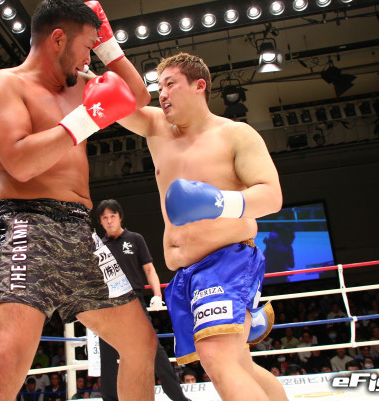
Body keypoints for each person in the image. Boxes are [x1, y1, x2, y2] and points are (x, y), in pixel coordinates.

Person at [0, 1, 157, 400]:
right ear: (58, 39)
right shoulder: (2, 86)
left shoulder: (80, 85)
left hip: (81, 232)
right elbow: (20, 163)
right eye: (88, 46)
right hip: (28, 224)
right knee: (6, 361)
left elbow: (137, 97)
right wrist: (88, 117)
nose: (90, 58)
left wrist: (108, 46)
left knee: (141, 344)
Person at [117, 52, 287, 401]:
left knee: (216, 356)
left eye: (170, 84)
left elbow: (272, 196)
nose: (162, 93)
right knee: (238, 362)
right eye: (159, 87)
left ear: (199, 86)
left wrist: (220, 202)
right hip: (185, 273)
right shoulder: (155, 128)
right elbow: (111, 101)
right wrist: (103, 49)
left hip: (227, 260)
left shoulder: (235, 134)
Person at [95, 199, 191, 401]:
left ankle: (178, 398)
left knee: (153, 349)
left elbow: (149, 269)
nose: (109, 221)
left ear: (120, 217)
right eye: (105, 218)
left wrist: (157, 295)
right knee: (108, 355)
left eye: (112, 216)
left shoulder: (135, 239)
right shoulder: (99, 247)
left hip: (133, 300)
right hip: (107, 303)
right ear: (101, 221)